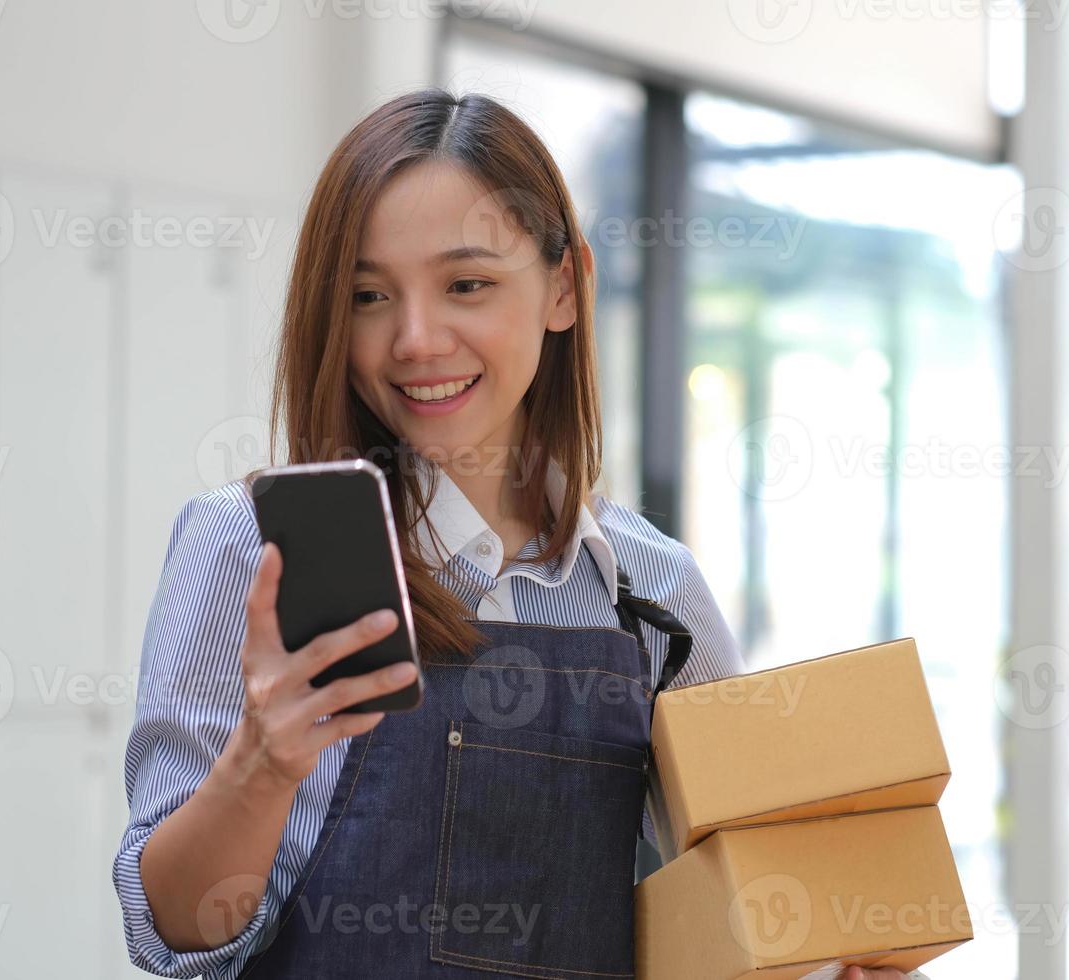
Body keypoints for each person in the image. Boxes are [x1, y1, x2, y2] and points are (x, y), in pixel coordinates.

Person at [112, 87, 911, 980]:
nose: (414, 339)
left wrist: (835, 957)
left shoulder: (650, 594)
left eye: (466, 285)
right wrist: (260, 766)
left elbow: (734, 909)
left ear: (563, 289)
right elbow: (169, 933)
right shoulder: (248, 549)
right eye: (368, 295)